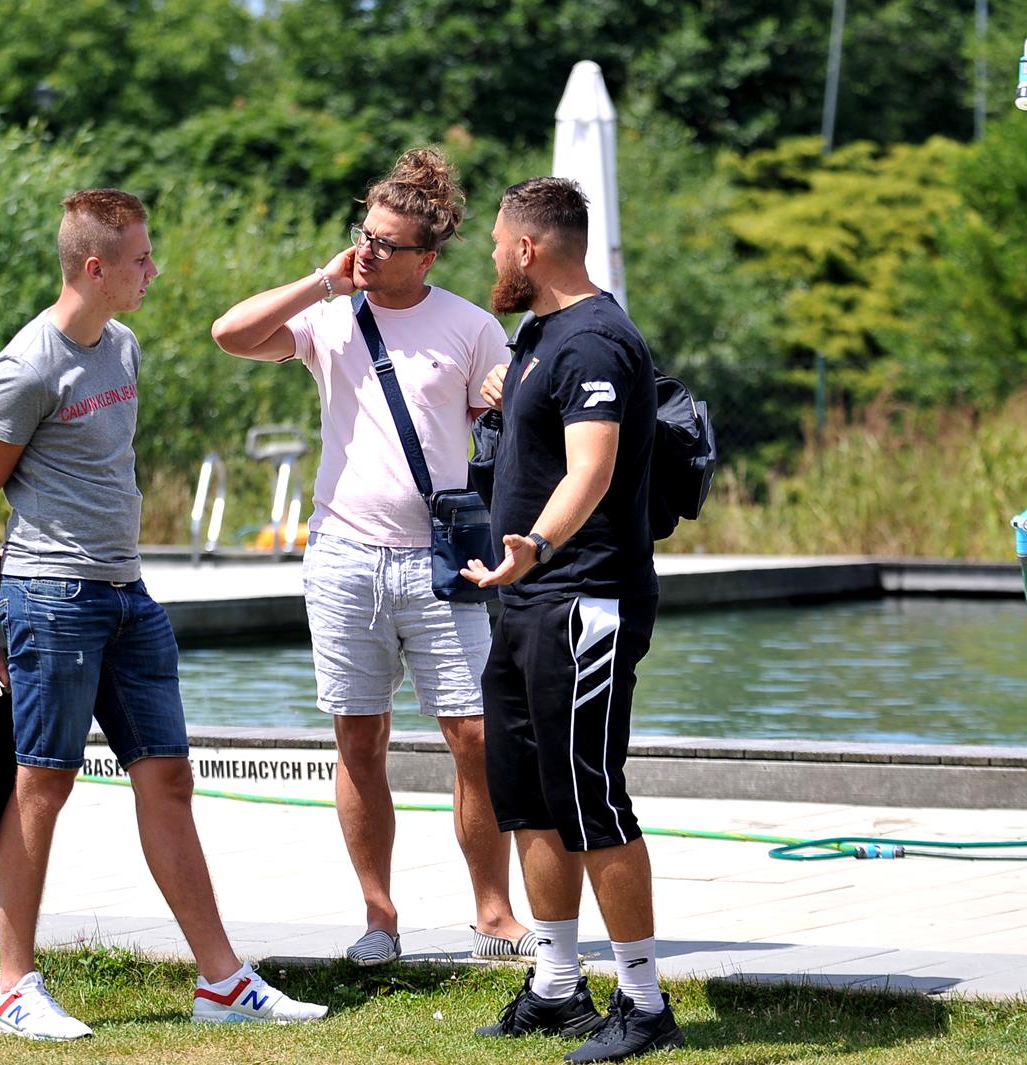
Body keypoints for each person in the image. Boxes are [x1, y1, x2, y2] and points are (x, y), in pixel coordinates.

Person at [0, 188, 327, 1040]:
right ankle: (10, 990)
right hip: (50, 597)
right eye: (140, 259)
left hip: (128, 596)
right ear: (96, 268)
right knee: (41, 782)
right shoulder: (26, 367)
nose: (153, 270)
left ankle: (222, 981)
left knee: (167, 776)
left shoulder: (122, 347)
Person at [211, 149, 534, 966]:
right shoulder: (331, 317)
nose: (370, 250)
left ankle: (494, 914)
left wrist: (505, 397)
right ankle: (379, 918)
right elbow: (230, 334)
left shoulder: (469, 325)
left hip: (441, 560)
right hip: (344, 557)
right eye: (365, 234)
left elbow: (508, 419)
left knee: (474, 735)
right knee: (359, 738)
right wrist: (322, 281)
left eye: (388, 244)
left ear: (427, 257)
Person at [463, 177, 685, 1062]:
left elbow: (591, 467)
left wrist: (539, 545)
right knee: (527, 796)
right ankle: (557, 988)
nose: (492, 256)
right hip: (527, 599)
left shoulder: (594, 337)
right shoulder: (542, 336)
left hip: (583, 597)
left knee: (591, 796)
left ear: (528, 248)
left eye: (496, 242)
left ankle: (645, 1001)